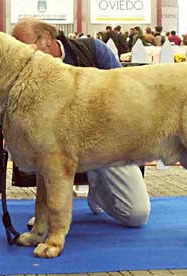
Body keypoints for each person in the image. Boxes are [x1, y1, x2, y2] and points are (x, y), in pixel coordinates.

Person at [11, 18, 151, 229]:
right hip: (55, 150)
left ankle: (99, 189)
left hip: (106, 143)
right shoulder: (23, 71)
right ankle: (46, 213)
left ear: (48, 39)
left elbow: (126, 94)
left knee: (136, 215)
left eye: (25, 44)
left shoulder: (94, 50)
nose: (21, 52)